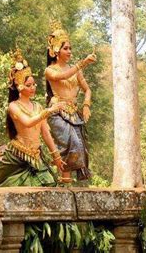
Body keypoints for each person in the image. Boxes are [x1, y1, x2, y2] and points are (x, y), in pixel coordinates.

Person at [0, 49, 65, 187]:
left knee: (48, 183)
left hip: (35, 155)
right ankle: (4, 150)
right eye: (28, 85)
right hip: (17, 155)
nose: (33, 88)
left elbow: (46, 134)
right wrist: (49, 110)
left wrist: (57, 156)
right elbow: (28, 123)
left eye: (34, 84)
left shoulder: (37, 107)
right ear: (19, 87)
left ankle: (3, 148)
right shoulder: (13, 106)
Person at [45, 21, 97, 183]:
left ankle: (67, 184)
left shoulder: (75, 70)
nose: (69, 51)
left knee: (80, 147)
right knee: (69, 144)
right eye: (65, 48)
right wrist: (83, 63)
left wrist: (86, 105)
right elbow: (63, 76)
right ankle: (63, 182)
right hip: (57, 110)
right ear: (56, 51)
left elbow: (87, 89)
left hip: (74, 112)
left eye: (70, 48)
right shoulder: (50, 70)